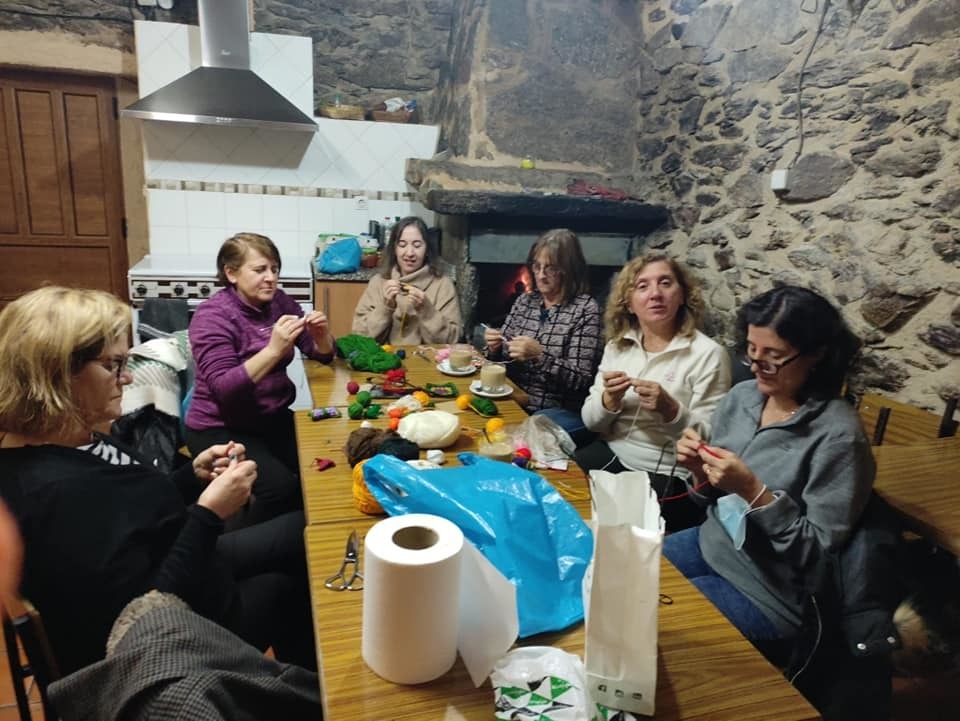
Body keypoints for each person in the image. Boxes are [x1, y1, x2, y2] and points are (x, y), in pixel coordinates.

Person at [0, 287, 316, 675]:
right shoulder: (54, 494)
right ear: (58, 374)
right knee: (293, 585)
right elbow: (142, 611)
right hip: (173, 641)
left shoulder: (73, 435)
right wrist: (209, 514)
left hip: (187, 561)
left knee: (308, 530)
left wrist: (189, 476)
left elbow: (131, 512)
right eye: (113, 365)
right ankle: (293, 696)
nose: (128, 377)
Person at [663, 285, 874, 646]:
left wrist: (752, 491)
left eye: (773, 357)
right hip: (714, 542)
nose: (756, 367)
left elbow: (819, 559)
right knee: (620, 576)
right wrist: (699, 470)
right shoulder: (743, 398)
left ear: (817, 356)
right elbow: (709, 501)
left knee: (661, 620)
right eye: (750, 350)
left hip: (768, 591)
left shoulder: (838, 437)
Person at [186, 233, 334, 525]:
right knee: (282, 489)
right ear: (231, 273)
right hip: (220, 428)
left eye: (274, 269)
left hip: (270, 419)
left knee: (324, 456)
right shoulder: (212, 316)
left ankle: (302, 531)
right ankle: (249, 545)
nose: (271, 278)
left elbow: (322, 354)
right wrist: (273, 350)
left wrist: (321, 337)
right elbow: (224, 388)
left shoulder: (279, 302)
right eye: (260, 270)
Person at [576, 253, 731, 530]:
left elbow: (710, 443)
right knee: (556, 490)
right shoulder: (618, 346)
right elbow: (591, 421)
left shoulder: (708, 355)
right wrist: (608, 400)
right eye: (642, 286)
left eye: (665, 283)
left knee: (612, 532)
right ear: (630, 304)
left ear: (682, 295)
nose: (655, 294)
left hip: (665, 473)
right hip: (611, 453)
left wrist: (671, 411)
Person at [483, 229, 603, 444]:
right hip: (515, 397)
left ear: (569, 270)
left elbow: (581, 380)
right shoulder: (525, 302)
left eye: (551, 268)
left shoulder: (585, 309)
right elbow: (501, 361)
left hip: (557, 410)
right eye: (536, 266)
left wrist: (540, 356)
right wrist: (493, 349)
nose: (540, 275)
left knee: (521, 436)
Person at [352, 216, 462, 345]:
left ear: (427, 250)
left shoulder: (443, 284)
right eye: (402, 245)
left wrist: (427, 310)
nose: (409, 253)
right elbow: (360, 337)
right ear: (395, 249)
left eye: (417, 245)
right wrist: (385, 307)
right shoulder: (379, 282)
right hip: (385, 360)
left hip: (428, 362)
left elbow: (453, 341)